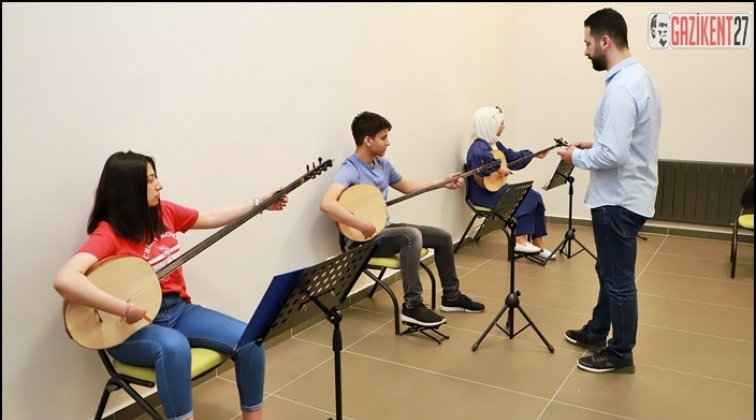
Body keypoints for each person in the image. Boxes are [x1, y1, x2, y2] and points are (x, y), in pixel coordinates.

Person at [53, 150, 289, 420]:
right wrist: (123, 308)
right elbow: (65, 279)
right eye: (150, 180)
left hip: (178, 311)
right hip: (130, 329)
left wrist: (260, 203)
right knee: (174, 347)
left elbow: (210, 217)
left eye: (156, 177)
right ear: (129, 188)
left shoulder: (164, 212)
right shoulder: (108, 233)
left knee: (250, 340)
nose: (160, 185)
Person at [557, 8, 661, 374]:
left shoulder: (620, 88)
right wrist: (595, 145)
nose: (585, 50)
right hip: (632, 194)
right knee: (609, 270)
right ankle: (597, 330)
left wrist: (574, 156)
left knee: (618, 280)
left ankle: (620, 352)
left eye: (588, 43)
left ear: (604, 41)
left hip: (617, 199)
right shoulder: (641, 78)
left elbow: (614, 155)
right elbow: (624, 143)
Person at [319, 111, 485, 328]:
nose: (388, 142)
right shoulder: (350, 169)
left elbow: (406, 186)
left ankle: (451, 297)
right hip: (363, 240)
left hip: (384, 230)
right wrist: (360, 224)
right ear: (368, 140)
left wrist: (441, 182)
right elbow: (327, 203)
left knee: (442, 237)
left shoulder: (383, 165)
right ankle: (412, 306)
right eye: (383, 137)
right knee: (411, 236)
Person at [465, 105, 555, 260]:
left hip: (496, 190)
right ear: (490, 125)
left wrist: (533, 155)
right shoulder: (478, 146)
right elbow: (482, 161)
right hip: (483, 195)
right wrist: (499, 168)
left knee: (535, 196)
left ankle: (539, 246)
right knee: (527, 196)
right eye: (501, 123)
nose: (504, 126)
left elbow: (512, 157)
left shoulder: (495, 145)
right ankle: (520, 241)